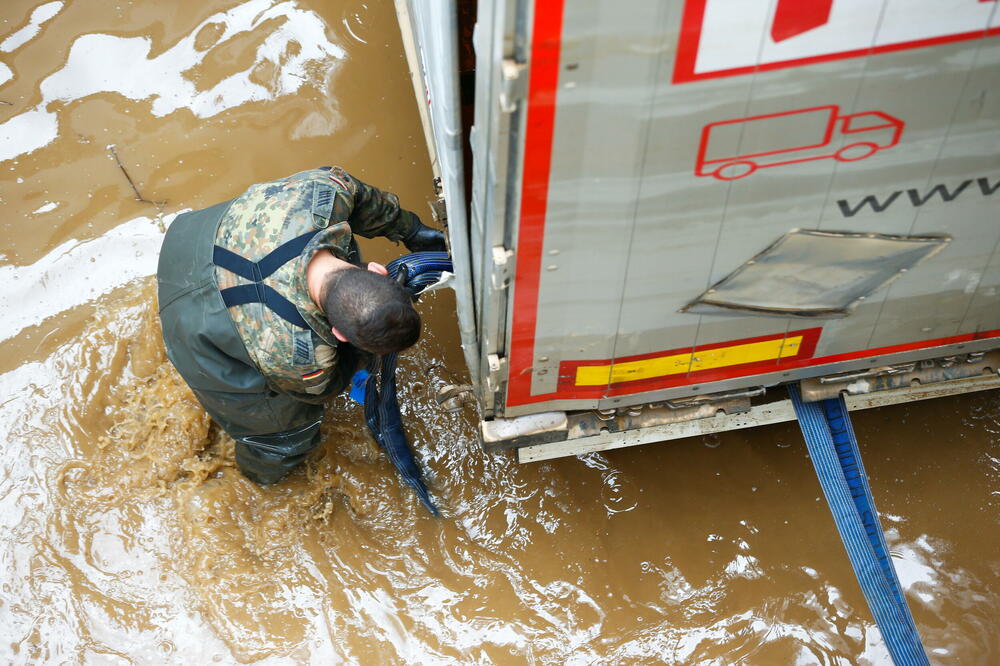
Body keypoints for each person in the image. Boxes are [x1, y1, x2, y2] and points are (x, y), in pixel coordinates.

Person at [156, 166, 446, 485]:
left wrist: (410, 229)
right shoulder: (297, 354)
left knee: (346, 250)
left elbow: (361, 196)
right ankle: (256, 482)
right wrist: (359, 354)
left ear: (378, 271)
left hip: (188, 240)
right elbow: (323, 389)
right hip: (191, 320)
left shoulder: (319, 193)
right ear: (337, 334)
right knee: (286, 436)